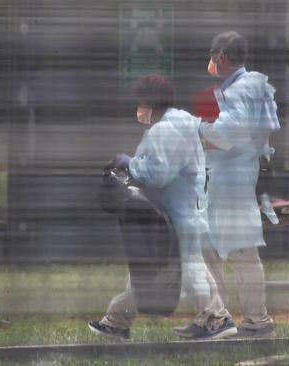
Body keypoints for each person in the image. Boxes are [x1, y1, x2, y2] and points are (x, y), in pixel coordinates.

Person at [88, 74, 235, 341]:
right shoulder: (183, 123)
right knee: (157, 270)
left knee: (185, 271)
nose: (139, 108)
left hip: (176, 216)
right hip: (182, 211)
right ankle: (117, 320)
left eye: (142, 102)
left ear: (151, 103)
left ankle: (216, 319)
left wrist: (128, 164)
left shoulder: (164, 130)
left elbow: (158, 174)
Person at [177, 31, 281, 338]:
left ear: (221, 57)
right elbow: (263, 130)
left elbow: (229, 132)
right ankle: (214, 317)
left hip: (229, 182)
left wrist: (197, 127)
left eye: (212, 56)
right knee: (207, 249)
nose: (210, 62)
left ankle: (256, 321)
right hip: (230, 178)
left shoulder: (240, 89)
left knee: (239, 252)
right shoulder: (254, 84)